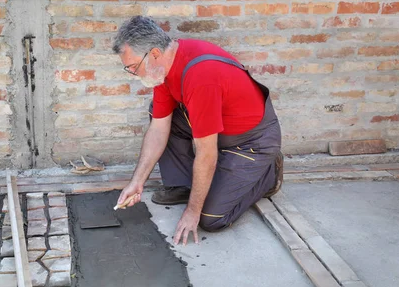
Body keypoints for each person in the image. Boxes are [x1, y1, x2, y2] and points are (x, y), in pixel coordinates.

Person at [112, 16, 283, 246]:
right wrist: (137, 181)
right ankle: (184, 184)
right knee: (161, 113)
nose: (134, 73)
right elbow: (159, 128)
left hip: (252, 142)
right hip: (221, 131)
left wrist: (193, 212)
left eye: (133, 67)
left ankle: (268, 174)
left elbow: (207, 154)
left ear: (153, 54)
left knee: (211, 219)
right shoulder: (164, 67)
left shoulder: (200, 77)